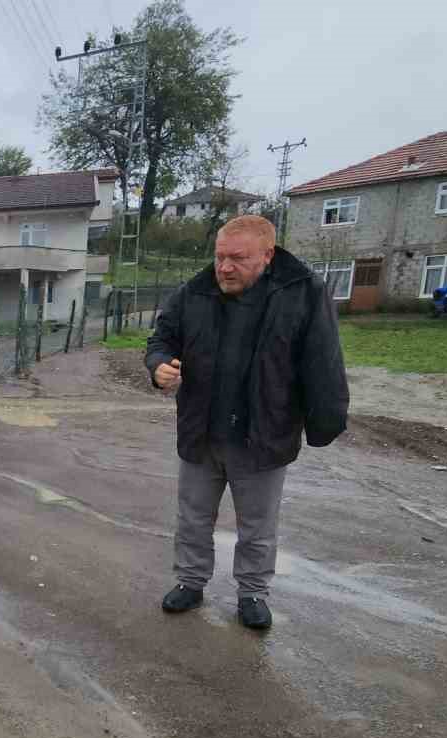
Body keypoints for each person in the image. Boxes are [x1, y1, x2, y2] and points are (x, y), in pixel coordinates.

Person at [144, 215, 348, 630]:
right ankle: (190, 582)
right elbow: (161, 339)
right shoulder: (194, 292)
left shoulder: (303, 292)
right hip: (202, 431)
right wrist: (159, 365)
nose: (224, 268)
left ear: (267, 255)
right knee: (193, 518)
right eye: (220, 257)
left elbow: (323, 358)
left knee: (257, 526)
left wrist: (325, 421)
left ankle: (252, 593)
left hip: (264, 434)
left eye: (237, 258)